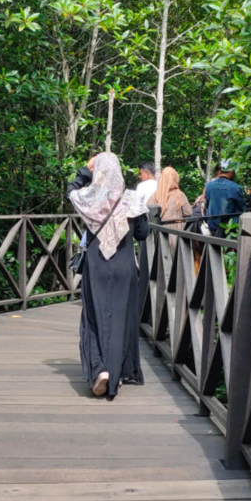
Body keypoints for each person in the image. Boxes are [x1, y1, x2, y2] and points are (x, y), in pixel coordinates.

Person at [68, 153, 151, 399]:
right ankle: (116, 373)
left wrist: (85, 169)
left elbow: (70, 190)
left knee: (93, 318)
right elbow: (143, 234)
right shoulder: (132, 200)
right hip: (125, 268)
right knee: (121, 320)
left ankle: (100, 370)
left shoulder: (89, 198)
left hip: (97, 267)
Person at [153, 165, 193, 254]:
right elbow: (189, 212)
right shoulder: (180, 195)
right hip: (177, 239)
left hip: (159, 238)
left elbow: (147, 213)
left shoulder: (154, 196)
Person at [202, 159, 246, 237]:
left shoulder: (209, 186)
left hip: (212, 226)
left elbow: (207, 203)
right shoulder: (235, 187)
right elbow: (242, 208)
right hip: (229, 228)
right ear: (231, 172)